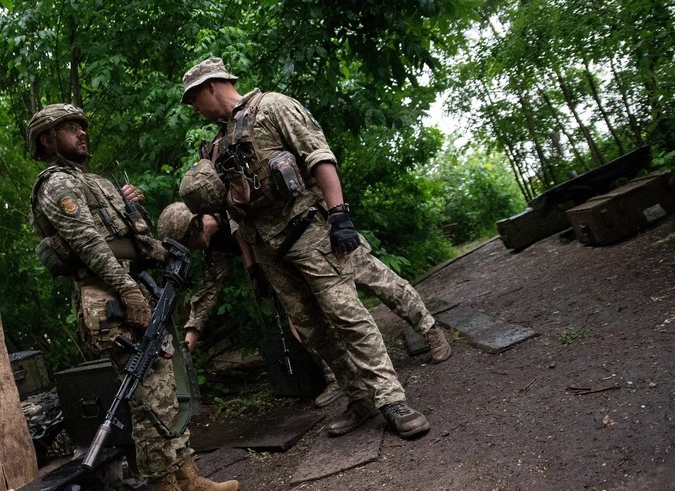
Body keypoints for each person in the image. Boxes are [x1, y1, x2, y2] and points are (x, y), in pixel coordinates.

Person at [177, 57, 431, 439]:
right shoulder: (213, 148)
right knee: (314, 331)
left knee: (348, 316)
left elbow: (319, 155)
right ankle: (358, 398)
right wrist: (253, 267)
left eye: (193, 98)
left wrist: (339, 215)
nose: (193, 108)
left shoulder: (274, 107)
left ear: (211, 86)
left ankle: (391, 399)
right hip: (270, 252)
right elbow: (234, 216)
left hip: (309, 233)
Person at [25, 103, 238, 491]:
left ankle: (186, 477)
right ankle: (165, 484)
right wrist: (126, 289)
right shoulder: (56, 184)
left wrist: (147, 227)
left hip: (135, 287)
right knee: (148, 397)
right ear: (48, 138)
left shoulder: (96, 182)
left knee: (166, 390)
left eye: (82, 126)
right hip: (107, 296)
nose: (83, 133)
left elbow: (131, 241)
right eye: (71, 128)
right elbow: (87, 242)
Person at [157, 199, 451, 407]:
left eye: (188, 242)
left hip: (318, 238)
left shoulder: (231, 200)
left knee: (379, 280)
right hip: (285, 267)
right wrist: (187, 347)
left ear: (194, 226)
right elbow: (207, 293)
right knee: (303, 321)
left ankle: (430, 330)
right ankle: (338, 377)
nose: (192, 250)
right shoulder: (216, 248)